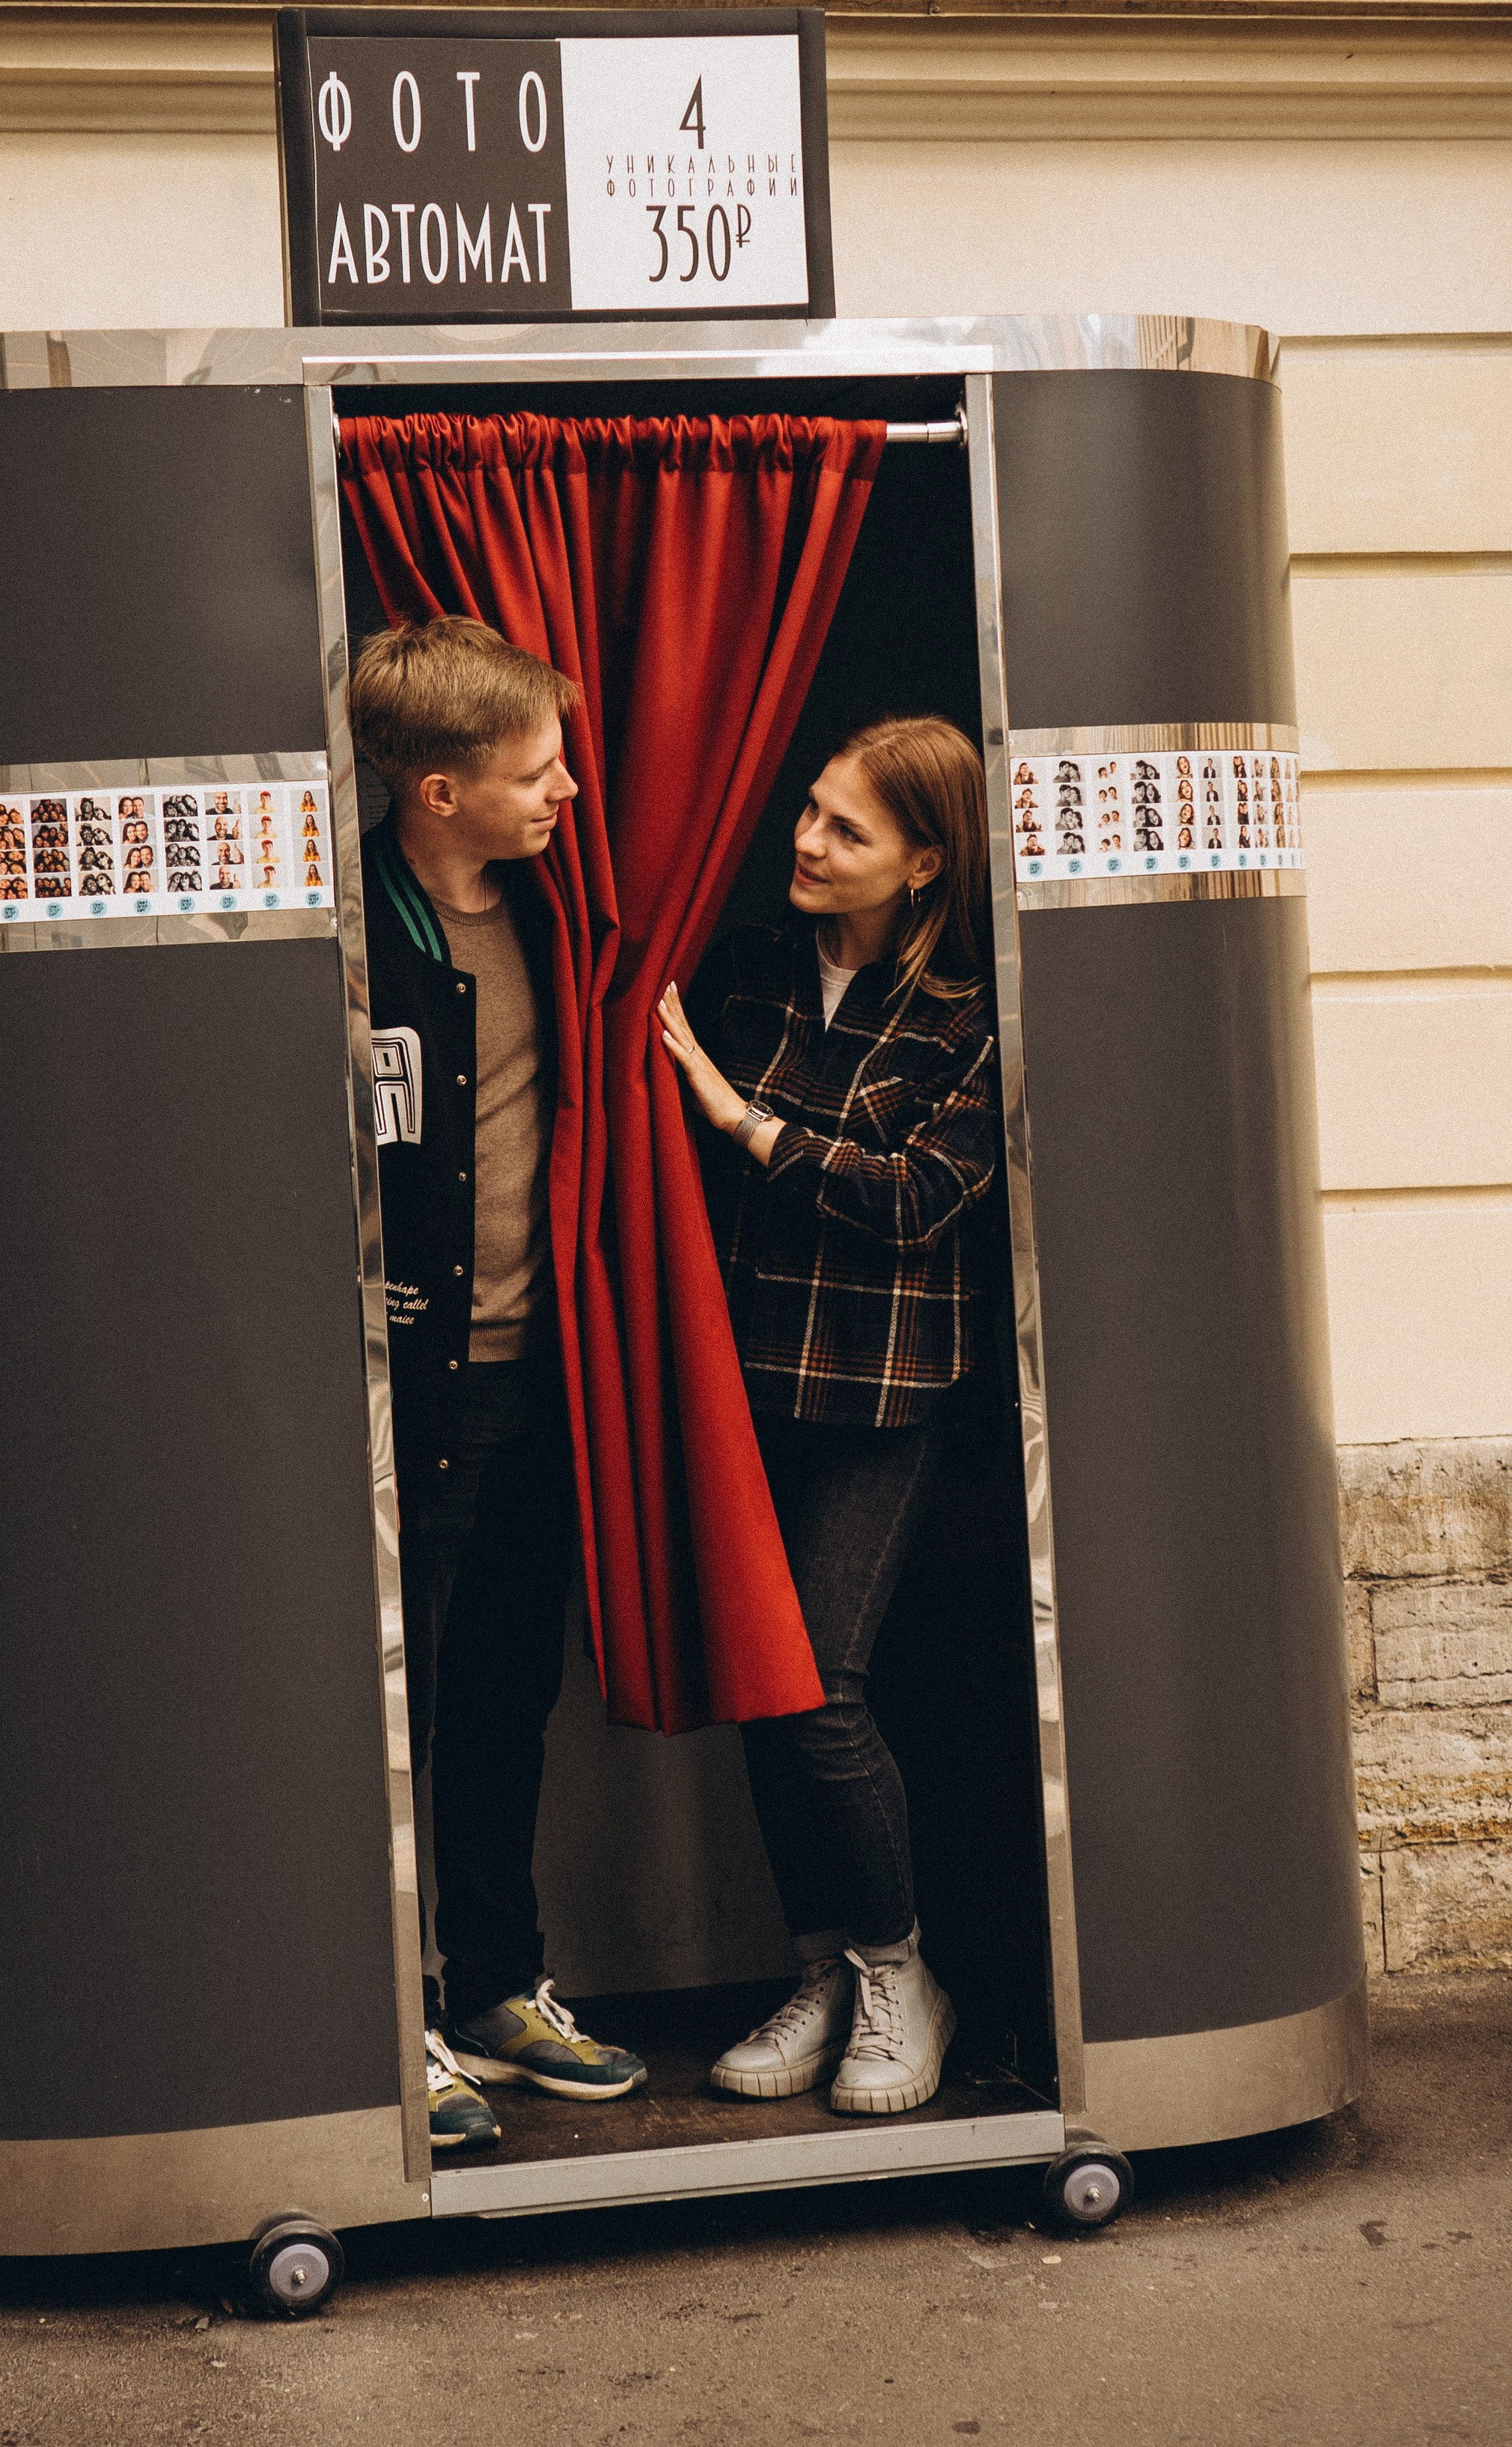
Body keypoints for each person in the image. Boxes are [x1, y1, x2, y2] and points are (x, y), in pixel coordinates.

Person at [656, 714, 999, 2117]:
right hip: (742, 1380)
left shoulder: (973, 1008)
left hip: (880, 1395)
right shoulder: (746, 968)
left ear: (925, 861)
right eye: (806, 810)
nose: (804, 840)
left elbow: (918, 1199)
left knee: (823, 1691)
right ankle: (821, 1963)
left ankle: (898, 1971)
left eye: (847, 829)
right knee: (760, 1682)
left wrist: (744, 1123)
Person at [350, 615, 648, 2154]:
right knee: (395, 1712)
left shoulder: (569, 918)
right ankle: (384, 2009)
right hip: (412, 1387)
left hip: (542, 1377)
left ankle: (494, 1984)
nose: (568, 797)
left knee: (502, 1705)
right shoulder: (356, 937)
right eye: (534, 773)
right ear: (436, 791)